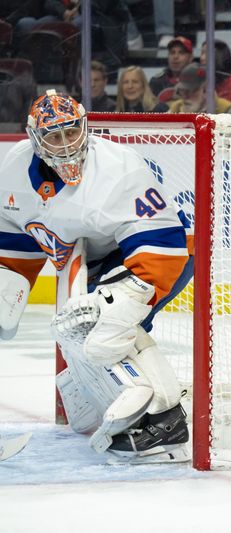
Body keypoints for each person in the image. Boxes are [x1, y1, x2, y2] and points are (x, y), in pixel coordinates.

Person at [0, 90, 192, 462]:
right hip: (93, 261)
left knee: (98, 325)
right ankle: (116, 399)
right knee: (75, 323)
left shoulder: (119, 168)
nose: (66, 145)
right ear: (34, 139)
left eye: (71, 132)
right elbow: (16, 236)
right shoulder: (13, 170)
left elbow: (163, 243)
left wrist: (125, 300)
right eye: (54, 137)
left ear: (85, 127)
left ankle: (166, 417)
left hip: (161, 254)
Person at [167, 63, 231, 114]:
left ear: (206, 90)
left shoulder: (227, 112)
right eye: (182, 91)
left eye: (190, 91)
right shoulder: (175, 109)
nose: (185, 97)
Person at [199, 39, 231, 104]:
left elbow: (225, 107)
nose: (202, 58)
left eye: (206, 53)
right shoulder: (198, 77)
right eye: (202, 53)